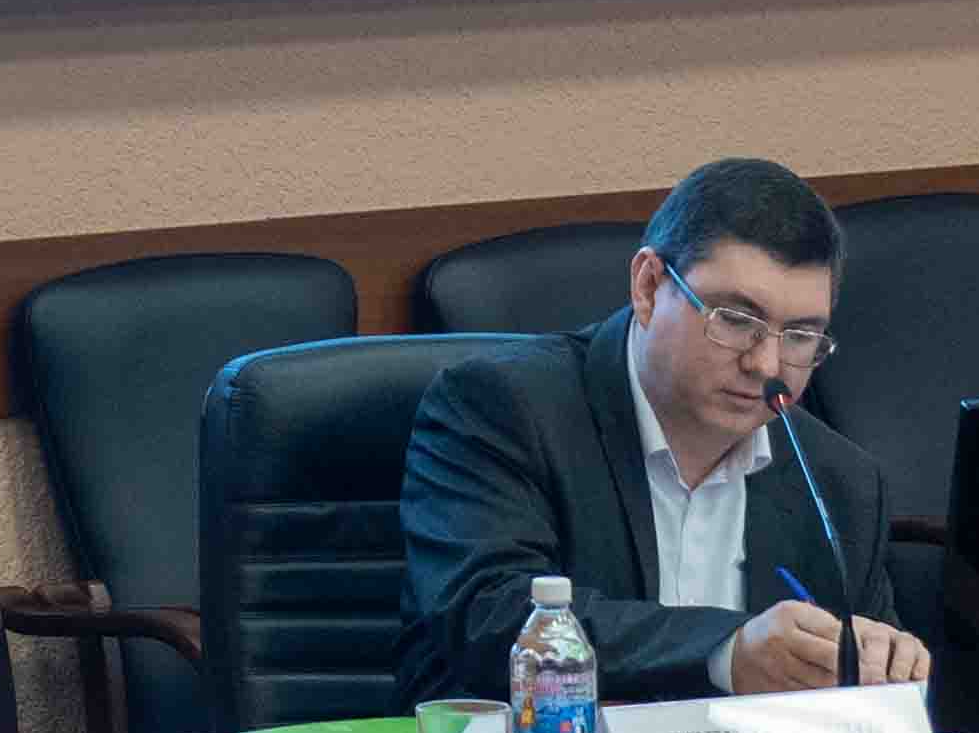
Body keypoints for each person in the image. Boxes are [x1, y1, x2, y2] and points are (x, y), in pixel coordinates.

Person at [399, 157, 933, 704]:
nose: (765, 364)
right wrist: (727, 651)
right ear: (649, 287)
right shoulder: (502, 409)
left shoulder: (841, 483)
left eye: (799, 336)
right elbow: (490, 618)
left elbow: (866, 700)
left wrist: (887, 668)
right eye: (736, 321)